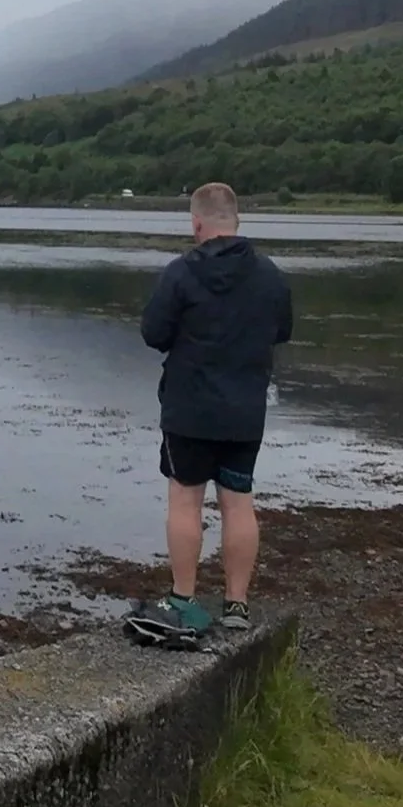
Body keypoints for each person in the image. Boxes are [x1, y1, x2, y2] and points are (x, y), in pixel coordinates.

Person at [124, 182, 293, 649]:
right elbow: (283, 330)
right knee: (238, 501)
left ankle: (183, 599)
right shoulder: (270, 275)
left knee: (185, 501)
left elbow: (154, 333)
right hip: (245, 410)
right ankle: (237, 605)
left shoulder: (181, 273)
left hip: (189, 411)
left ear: (197, 223)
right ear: (236, 222)